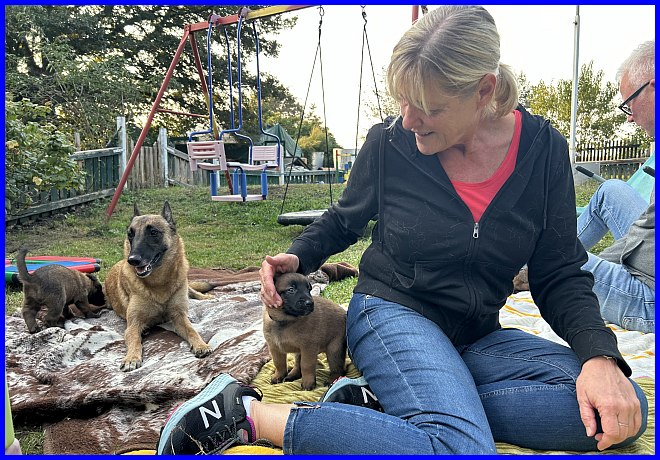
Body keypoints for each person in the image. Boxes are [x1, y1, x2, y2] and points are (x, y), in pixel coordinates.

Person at [156, 6, 647, 455]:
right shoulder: (390, 143)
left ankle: (394, 408)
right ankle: (246, 413)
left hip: (475, 335)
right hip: (392, 313)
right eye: (403, 101)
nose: (408, 120)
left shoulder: (544, 151)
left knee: (619, 409)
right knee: (461, 448)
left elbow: (560, 271)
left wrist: (600, 357)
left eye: (428, 107)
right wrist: (299, 256)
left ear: (483, 91)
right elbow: (344, 219)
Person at [576, 40, 655, 333]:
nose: (630, 117)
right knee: (611, 190)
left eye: (629, 104)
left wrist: (584, 267)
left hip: (650, 298)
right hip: (647, 259)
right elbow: (646, 232)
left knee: (551, 256)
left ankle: (531, 272)